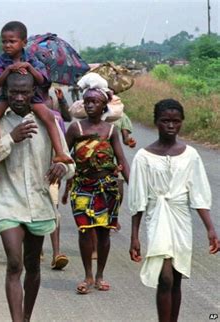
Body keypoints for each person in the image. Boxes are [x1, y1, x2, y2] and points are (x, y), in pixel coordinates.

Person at [0, 72, 75, 322]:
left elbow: (70, 164)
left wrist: (62, 168)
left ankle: (26, 316)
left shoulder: (46, 120)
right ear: (5, 91)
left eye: (24, 92)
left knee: (33, 265)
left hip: (38, 203)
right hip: (8, 201)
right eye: (13, 92)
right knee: (15, 263)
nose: (19, 97)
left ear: (33, 92)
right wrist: (10, 139)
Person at [128, 99, 219, 322]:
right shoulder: (143, 157)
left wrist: (210, 229)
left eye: (175, 121)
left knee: (176, 276)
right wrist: (134, 236)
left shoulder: (190, 155)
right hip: (157, 216)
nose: (170, 126)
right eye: (165, 121)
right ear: (156, 122)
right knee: (165, 276)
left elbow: (198, 194)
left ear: (182, 123)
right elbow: (138, 199)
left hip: (181, 218)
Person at [64, 73, 130, 294]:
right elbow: (63, 156)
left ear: (104, 107)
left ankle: (100, 275)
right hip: (83, 186)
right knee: (85, 230)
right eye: (88, 101)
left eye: (95, 102)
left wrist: (134, 185)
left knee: (104, 233)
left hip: (108, 187)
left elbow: (121, 159)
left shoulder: (110, 130)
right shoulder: (75, 129)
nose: (91, 105)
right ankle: (87, 276)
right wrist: (62, 180)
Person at [0, 21, 72, 171]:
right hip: (8, 97)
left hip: (32, 98)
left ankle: (59, 153)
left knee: (49, 117)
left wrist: (29, 67)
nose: (7, 45)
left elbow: (42, 80)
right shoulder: (2, 59)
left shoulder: (31, 58)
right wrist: (9, 70)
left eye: (12, 41)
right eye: (4, 42)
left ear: (23, 42)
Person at [41, 82, 71, 270]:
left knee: (53, 210)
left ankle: (56, 252)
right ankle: (37, 248)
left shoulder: (56, 118)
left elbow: (63, 145)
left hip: (52, 170)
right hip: (34, 170)